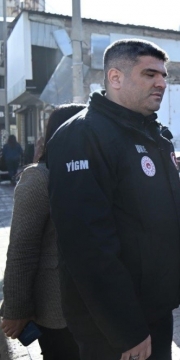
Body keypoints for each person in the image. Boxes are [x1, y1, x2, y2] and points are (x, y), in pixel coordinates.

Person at [47, 39, 180, 360]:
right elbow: (88, 247)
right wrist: (127, 329)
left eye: (164, 76)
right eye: (150, 74)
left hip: (155, 308)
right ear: (115, 78)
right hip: (114, 325)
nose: (162, 83)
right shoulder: (82, 135)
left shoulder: (155, 134)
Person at [1, 104, 85, 359]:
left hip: (91, 306)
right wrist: (15, 309)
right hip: (55, 308)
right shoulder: (40, 178)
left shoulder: (91, 174)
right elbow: (22, 249)